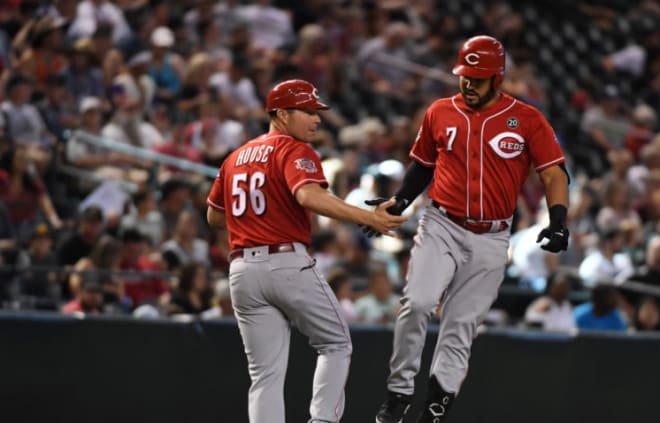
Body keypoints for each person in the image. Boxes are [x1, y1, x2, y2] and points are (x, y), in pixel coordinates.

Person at [369, 35, 570, 423]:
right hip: (441, 222)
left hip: (493, 236)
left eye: (477, 78)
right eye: (465, 75)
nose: (468, 83)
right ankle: (399, 392)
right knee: (419, 303)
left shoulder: (526, 118)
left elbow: (553, 172)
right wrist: (400, 201)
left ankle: (435, 407)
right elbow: (422, 165)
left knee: (461, 325)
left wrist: (558, 218)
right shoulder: (440, 111)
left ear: (497, 78)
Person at [205, 79, 408, 423]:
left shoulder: (236, 156)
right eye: (307, 111)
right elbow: (308, 196)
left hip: (242, 270)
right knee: (336, 344)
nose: (316, 119)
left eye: (317, 112)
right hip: (285, 261)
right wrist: (366, 215)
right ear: (281, 114)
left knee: (265, 374)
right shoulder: (294, 149)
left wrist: (259, 215)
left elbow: (213, 216)